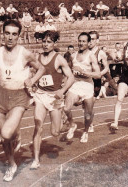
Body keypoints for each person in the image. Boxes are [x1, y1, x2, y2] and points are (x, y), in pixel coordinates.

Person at [0, 19, 45, 181]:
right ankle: (12, 164)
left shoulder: (25, 53)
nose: (10, 37)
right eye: (7, 33)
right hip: (1, 95)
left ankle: (15, 132)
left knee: (6, 133)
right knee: (3, 138)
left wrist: (33, 79)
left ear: (19, 36)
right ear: (3, 34)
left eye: (14, 34)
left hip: (19, 97)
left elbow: (41, 68)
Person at [30, 31, 74, 169]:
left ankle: (65, 121)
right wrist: (33, 84)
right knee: (38, 126)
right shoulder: (37, 57)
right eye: (44, 41)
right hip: (41, 96)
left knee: (55, 132)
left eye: (49, 42)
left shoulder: (59, 59)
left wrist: (62, 90)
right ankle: (36, 160)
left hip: (54, 98)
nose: (45, 44)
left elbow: (71, 77)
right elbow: (32, 72)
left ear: (55, 44)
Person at [63, 32, 101, 143]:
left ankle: (85, 132)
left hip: (88, 86)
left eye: (84, 41)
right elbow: (69, 72)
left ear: (89, 43)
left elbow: (98, 74)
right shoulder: (73, 55)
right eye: (79, 41)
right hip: (76, 85)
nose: (81, 43)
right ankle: (72, 125)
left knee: (88, 116)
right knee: (66, 108)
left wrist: (85, 72)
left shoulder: (91, 56)